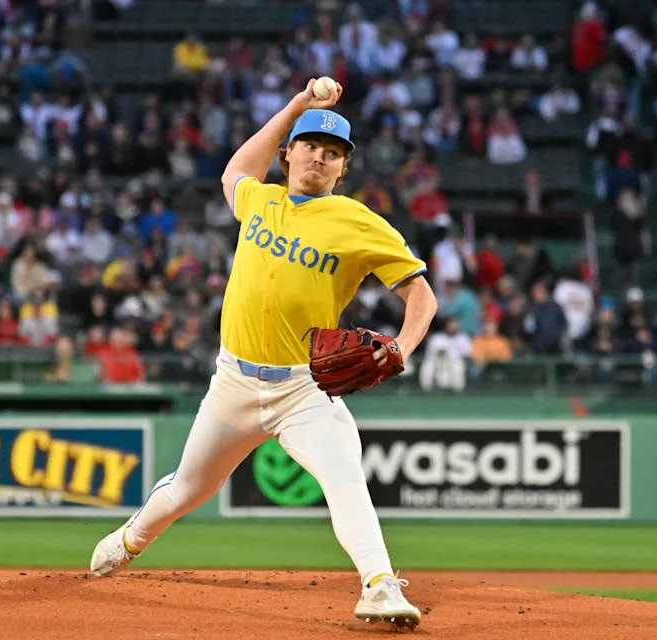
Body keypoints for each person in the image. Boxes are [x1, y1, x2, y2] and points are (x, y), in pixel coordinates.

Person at [90, 79, 437, 629]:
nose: (319, 159)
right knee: (187, 488)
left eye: (332, 155)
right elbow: (234, 171)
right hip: (233, 381)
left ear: (341, 171)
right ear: (289, 153)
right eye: (310, 147)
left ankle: (379, 585)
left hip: (304, 387)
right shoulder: (260, 198)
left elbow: (422, 295)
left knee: (344, 477)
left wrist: (402, 347)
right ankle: (132, 537)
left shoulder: (358, 222)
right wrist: (298, 105)